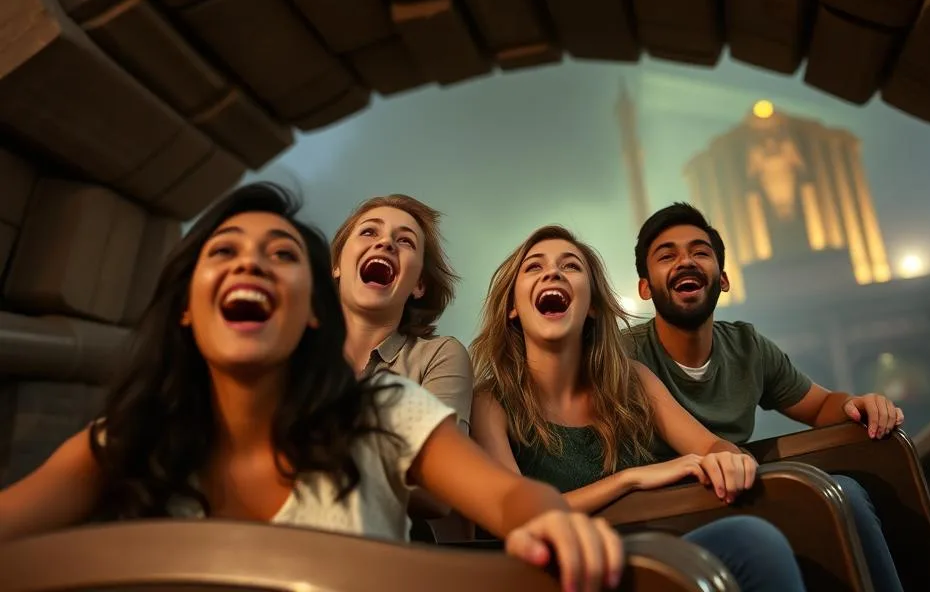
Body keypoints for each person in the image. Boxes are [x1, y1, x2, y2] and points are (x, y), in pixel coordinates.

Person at [0, 184, 622, 592]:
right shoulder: (128, 440)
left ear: (311, 310)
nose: (252, 264)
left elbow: (507, 499)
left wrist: (550, 522)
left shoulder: (386, 410)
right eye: (225, 251)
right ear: (188, 306)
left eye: (280, 254)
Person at [470, 225, 807, 592]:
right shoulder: (490, 402)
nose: (553, 272)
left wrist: (729, 458)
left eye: (571, 266)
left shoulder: (633, 380)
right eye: (534, 267)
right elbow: (517, 516)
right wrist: (630, 479)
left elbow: (710, 446)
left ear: (594, 306)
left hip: (650, 557)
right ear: (513, 308)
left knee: (755, 540)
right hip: (563, 576)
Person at [626, 202, 906, 592]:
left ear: (722, 279)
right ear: (644, 286)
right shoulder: (622, 358)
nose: (685, 261)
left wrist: (856, 405)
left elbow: (821, 405)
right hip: (663, 513)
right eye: (667, 255)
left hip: (733, 493)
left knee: (850, 493)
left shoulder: (747, 346)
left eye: (700, 252)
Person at [331, 195, 471, 519]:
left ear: (419, 284)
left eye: (405, 240)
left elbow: (440, 487)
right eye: (368, 232)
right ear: (337, 265)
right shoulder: (293, 352)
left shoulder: (439, 355)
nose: (385, 244)